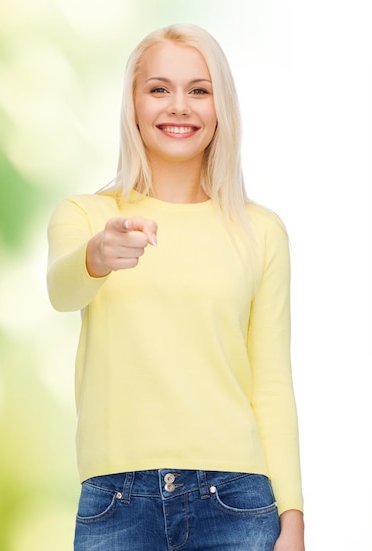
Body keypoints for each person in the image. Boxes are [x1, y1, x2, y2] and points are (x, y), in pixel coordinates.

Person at [46, 24, 304, 550]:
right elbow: (61, 291)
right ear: (134, 105)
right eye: (159, 89)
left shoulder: (261, 231)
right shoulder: (87, 215)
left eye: (199, 90)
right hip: (115, 503)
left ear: (220, 107)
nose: (179, 106)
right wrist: (96, 256)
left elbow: (272, 384)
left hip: (237, 502)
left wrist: (294, 521)